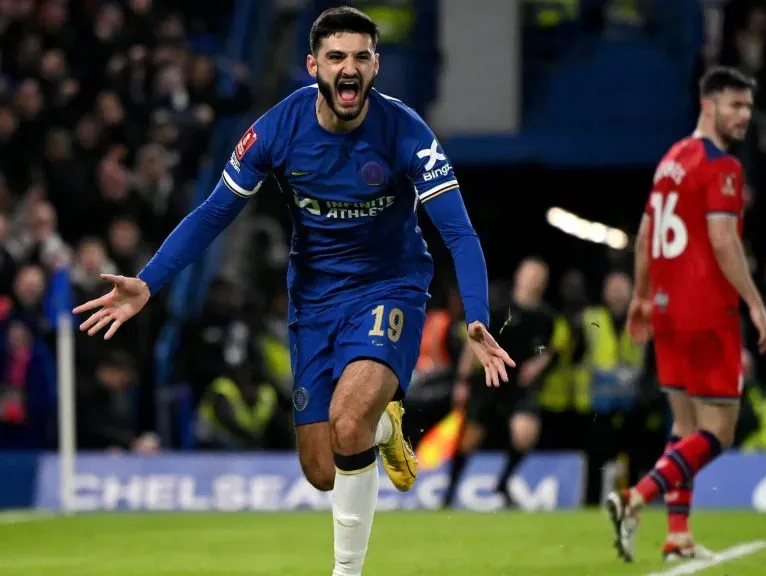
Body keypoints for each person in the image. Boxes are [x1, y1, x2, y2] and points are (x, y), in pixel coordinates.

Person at [73, 7, 514, 576]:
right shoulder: (275, 131)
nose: (349, 69)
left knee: (347, 419)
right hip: (314, 297)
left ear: (376, 65)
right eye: (336, 57)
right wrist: (148, 282)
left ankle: (347, 570)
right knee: (323, 469)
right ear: (313, 67)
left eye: (360, 57)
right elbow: (213, 214)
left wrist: (475, 315)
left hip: (390, 286)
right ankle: (384, 422)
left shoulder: (407, 133)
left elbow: (457, 230)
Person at [605, 66, 766, 563]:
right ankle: (635, 498)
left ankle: (677, 536)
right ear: (708, 105)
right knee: (718, 432)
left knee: (683, 427)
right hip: (707, 310)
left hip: (666, 310)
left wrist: (641, 297)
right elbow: (723, 239)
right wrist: (757, 305)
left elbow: (645, 235)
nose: (744, 115)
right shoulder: (722, 166)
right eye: (735, 105)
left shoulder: (671, 161)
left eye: (748, 106)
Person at [444, 257, 553, 508]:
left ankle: (503, 483)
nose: (534, 280)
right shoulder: (499, 307)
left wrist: (539, 364)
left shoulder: (546, 318)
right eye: (530, 274)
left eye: (539, 276)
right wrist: (462, 380)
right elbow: (474, 343)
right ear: (519, 276)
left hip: (519, 386)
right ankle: (449, 490)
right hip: (489, 379)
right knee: (470, 438)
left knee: (526, 432)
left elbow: (547, 350)